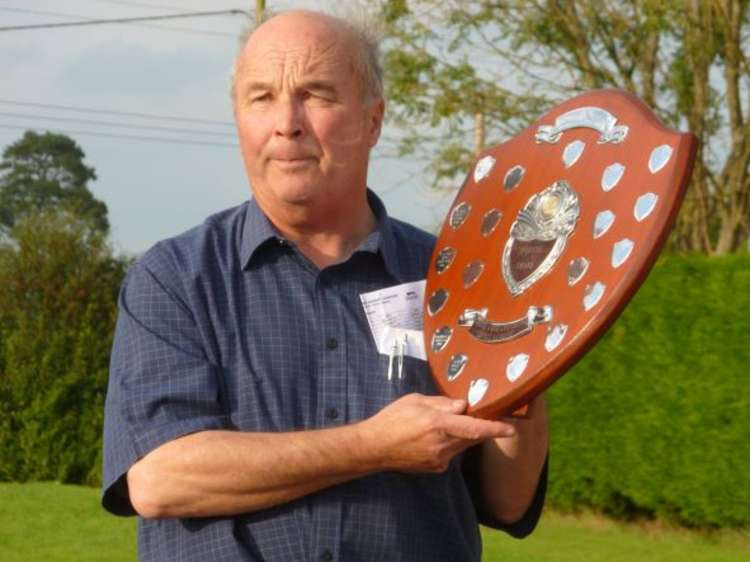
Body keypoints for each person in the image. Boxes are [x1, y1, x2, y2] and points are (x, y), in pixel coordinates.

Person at [102, 9, 549, 562]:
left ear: (373, 121)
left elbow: (506, 502)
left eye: (316, 94)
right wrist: (375, 446)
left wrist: (528, 370)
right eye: (261, 97)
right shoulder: (175, 279)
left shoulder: (455, 276)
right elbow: (161, 479)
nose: (286, 123)